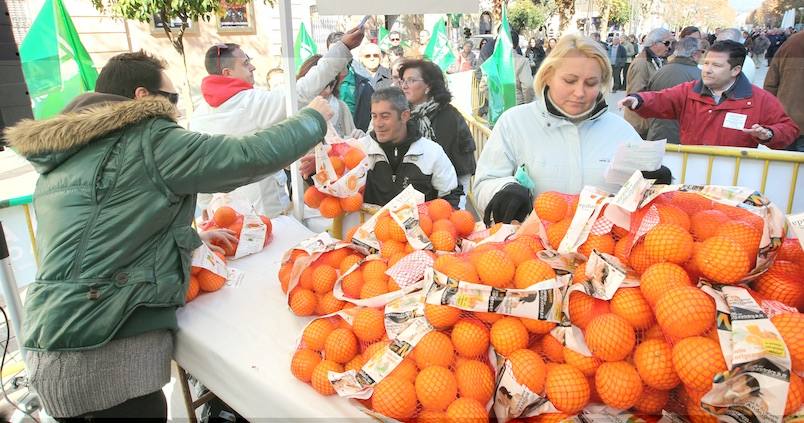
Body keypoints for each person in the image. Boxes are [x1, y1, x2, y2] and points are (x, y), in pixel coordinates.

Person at [3, 50, 332, 421]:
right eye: (172, 99)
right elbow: (245, 156)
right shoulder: (143, 137)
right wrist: (312, 120)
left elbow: (105, 234)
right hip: (106, 353)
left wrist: (189, 241)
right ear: (143, 98)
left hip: (55, 345)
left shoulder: (69, 154)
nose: (174, 111)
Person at [473, 35, 646, 225]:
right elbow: (483, 184)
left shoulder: (620, 131)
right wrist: (504, 189)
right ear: (547, 76)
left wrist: (655, 183)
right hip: (529, 248)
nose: (579, 93)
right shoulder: (514, 123)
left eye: (591, 83)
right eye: (570, 81)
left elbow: (646, 194)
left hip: (603, 249)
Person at [188, 31, 359, 218]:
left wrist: (205, 207)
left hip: (224, 216)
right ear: (227, 73)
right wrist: (342, 47)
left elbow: (199, 169)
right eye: (245, 63)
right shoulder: (250, 103)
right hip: (263, 213)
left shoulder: (197, 115)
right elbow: (301, 91)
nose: (252, 67)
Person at [619, 40, 799, 149]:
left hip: (734, 178)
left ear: (736, 70)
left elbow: (789, 128)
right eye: (706, 63)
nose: (708, 70)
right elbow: (662, 99)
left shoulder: (758, 99)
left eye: (717, 66)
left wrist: (769, 134)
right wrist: (638, 100)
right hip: (693, 169)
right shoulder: (689, 91)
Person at [359, 87, 461, 207]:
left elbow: (451, 196)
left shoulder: (432, 152)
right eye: (374, 116)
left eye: (385, 116)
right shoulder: (360, 149)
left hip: (421, 225)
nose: (378, 124)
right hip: (369, 225)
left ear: (404, 116)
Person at [399, 60, 477, 208]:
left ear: (428, 86)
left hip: (443, 201)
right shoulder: (401, 115)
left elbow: (462, 167)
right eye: (403, 80)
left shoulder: (450, 117)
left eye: (411, 80)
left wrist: (457, 204)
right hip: (407, 198)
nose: (404, 86)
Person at [645, 37, 703, 144]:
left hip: (657, 134)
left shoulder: (660, 71)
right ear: (695, 54)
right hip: (682, 139)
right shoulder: (700, 76)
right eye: (702, 52)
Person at [625, 27, 674, 138]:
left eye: (672, 43)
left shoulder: (659, 61)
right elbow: (635, 96)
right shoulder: (641, 64)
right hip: (640, 125)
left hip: (649, 122)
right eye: (666, 43)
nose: (670, 47)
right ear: (654, 44)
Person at [298, 54, 355, 137]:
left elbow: (352, 142)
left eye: (331, 84)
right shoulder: (294, 105)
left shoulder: (342, 107)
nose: (327, 90)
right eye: (322, 85)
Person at [765, 31, 804, 151]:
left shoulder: (792, 42)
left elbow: (770, 84)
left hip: (785, 120)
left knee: (782, 167)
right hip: (786, 122)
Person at [327, 31, 374, 131]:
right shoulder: (320, 84)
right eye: (332, 53)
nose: (336, 57)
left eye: (339, 52)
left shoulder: (365, 84)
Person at [510, 29, 536, 104]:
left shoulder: (493, 60)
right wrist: (527, 103)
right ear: (517, 44)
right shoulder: (522, 61)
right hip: (516, 104)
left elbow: (483, 86)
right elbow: (528, 86)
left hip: (496, 108)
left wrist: (494, 100)